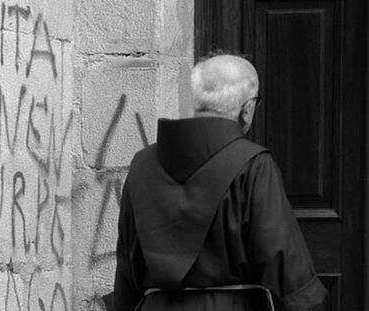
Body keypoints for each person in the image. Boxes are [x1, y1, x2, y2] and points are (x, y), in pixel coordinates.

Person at [113, 54, 328, 311]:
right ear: (247, 109)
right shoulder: (254, 165)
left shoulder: (141, 164)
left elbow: (127, 270)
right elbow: (286, 268)